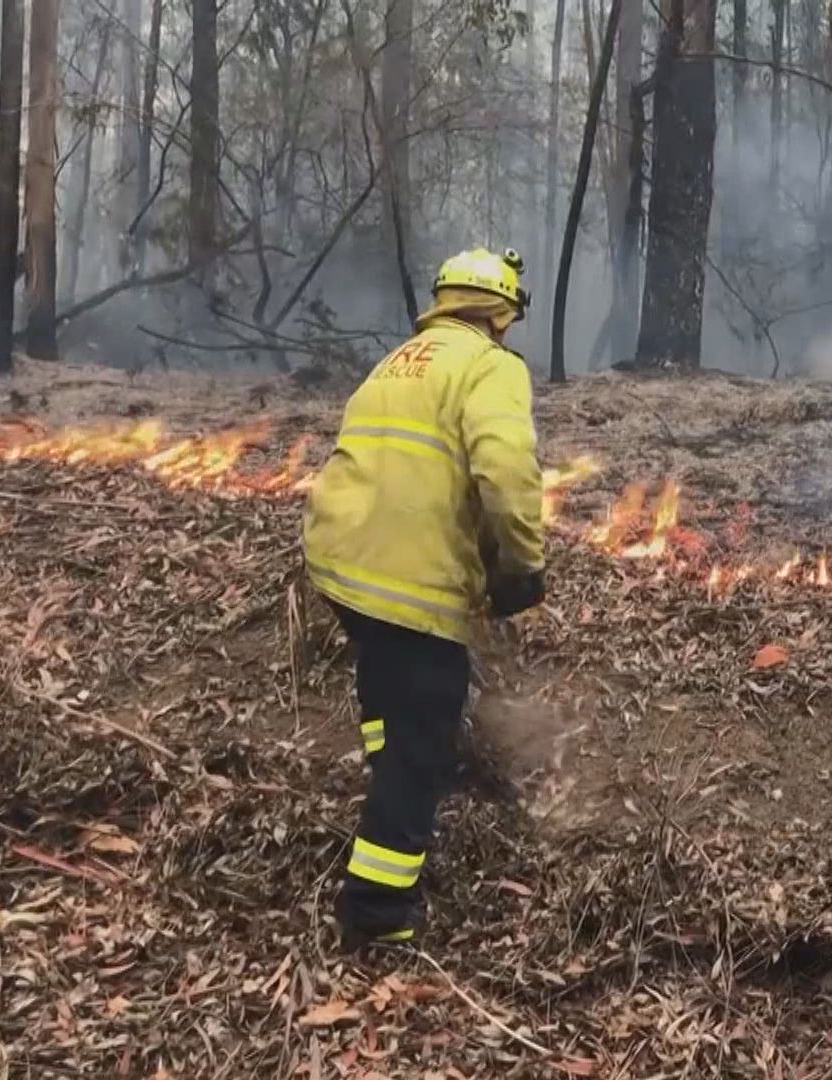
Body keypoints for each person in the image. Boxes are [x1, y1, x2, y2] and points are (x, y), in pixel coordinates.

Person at [302, 247, 547, 948]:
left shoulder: (400, 359)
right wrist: (520, 566)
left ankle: (387, 763)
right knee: (424, 731)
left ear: (441, 300)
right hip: (407, 576)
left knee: (388, 680)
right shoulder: (491, 365)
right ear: (505, 312)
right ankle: (378, 910)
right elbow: (505, 471)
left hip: (342, 561)